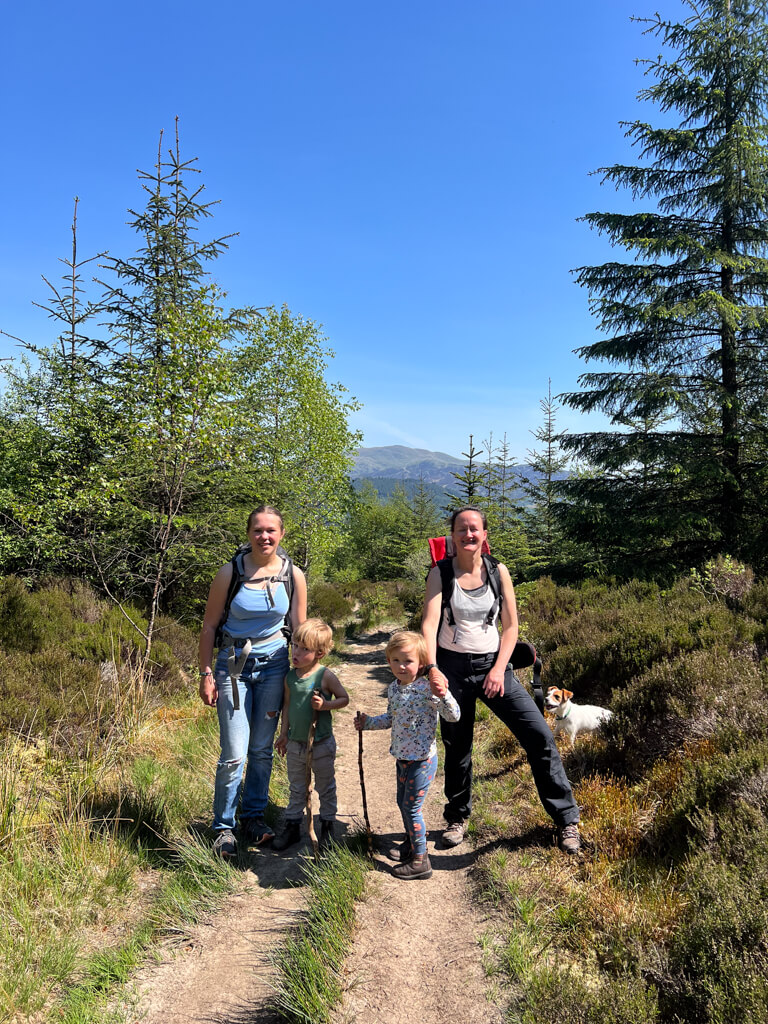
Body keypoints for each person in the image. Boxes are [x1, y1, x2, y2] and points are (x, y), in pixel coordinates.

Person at [421, 506, 581, 854]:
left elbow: (511, 627)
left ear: (484, 534)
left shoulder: (498, 571)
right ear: (452, 535)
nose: (468, 535)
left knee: (539, 736)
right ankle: (457, 817)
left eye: (474, 529)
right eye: (461, 529)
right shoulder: (441, 573)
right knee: (457, 745)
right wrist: (433, 668)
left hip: (495, 666)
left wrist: (497, 670)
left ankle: (567, 820)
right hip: (451, 668)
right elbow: (429, 625)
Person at [199, 505, 307, 858]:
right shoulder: (229, 573)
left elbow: (300, 632)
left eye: (271, 530)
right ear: (248, 534)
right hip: (232, 666)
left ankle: (254, 819)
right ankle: (223, 828)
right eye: (258, 530)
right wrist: (205, 674)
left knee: (261, 750)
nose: (264, 536)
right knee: (233, 753)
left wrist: (304, 680)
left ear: (281, 534)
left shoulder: (294, 575)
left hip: (275, 665)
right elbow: (209, 626)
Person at [354, 630, 461, 880]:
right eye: (396, 660)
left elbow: (454, 715)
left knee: (412, 809)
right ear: (388, 661)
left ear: (422, 663)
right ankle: (413, 845)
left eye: (408, 661)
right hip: (402, 759)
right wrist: (368, 722)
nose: (402, 666)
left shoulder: (429, 688)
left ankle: (420, 861)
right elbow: (391, 718)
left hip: (422, 760)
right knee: (403, 804)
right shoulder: (394, 688)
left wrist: (443, 694)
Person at [273, 618, 349, 850]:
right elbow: (287, 706)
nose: (296, 652)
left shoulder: (324, 676)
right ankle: (293, 825)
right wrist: (284, 734)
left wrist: (325, 705)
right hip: (296, 743)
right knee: (297, 786)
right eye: (295, 645)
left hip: (321, 743)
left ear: (320, 653)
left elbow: (344, 699)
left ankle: (327, 825)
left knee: (325, 785)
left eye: (304, 649)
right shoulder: (290, 677)